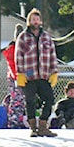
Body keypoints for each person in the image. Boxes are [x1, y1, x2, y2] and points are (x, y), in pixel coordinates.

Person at [14, 8, 59, 137]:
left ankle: (43, 125)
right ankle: (33, 127)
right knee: (30, 101)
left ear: (40, 21)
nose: (36, 21)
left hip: (44, 75)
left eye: (37, 19)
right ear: (29, 21)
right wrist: (20, 73)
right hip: (29, 75)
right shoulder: (23, 37)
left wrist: (54, 72)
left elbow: (52, 55)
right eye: (33, 19)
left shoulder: (46, 37)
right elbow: (18, 55)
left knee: (49, 99)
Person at [1, 24, 29, 129]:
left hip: (24, 77)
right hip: (15, 78)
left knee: (22, 100)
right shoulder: (12, 48)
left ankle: (19, 119)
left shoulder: (26, 48)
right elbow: (12, 64)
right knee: (16, 99)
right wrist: (16, 77)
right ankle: (13, 121)